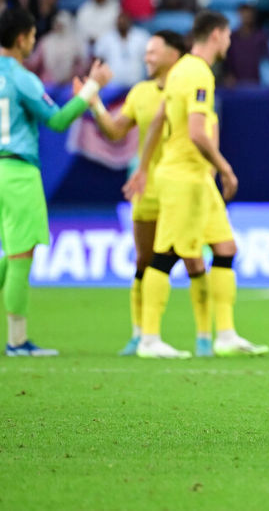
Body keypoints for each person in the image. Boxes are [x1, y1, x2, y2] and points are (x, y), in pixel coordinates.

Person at [124, 10, 269, 359]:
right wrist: (226, 168)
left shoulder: (179, 72)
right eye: (228, 36)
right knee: (168, 252)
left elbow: (159, 119)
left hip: (196, 178)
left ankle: (226, 335)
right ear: (217, 34)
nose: (230, 42)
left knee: (225, 247)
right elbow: (196, 133)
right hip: (184, 176)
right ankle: (149, 339)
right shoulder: (199, 74)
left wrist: (143, 167)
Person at [0, 8, 107, 355]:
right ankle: (17, 341)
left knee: (8, 253)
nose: (33, 42)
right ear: (22, 37)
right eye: (31, 36)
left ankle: (17, 340)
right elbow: (57, 121)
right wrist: (91, 90)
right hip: (18, 172)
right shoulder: (21, 77)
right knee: (19, 257)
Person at [86, 30, 185, 355]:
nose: (147, 57)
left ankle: (208, 335)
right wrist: (96, 102)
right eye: (146, 52)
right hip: (147, 188)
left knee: (192, 261)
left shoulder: (188, 88)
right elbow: (115, 131)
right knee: (144, 260)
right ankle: (140, 334)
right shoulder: (140, 93)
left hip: (182, 189)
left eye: (153, 51)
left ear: (174, 54)